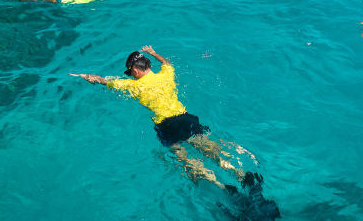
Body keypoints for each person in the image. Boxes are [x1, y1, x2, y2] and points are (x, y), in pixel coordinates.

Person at [71, 46, 266, 195]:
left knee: (185, 159)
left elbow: (102, 80)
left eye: (130, 73)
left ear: (135, 71)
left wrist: (85, 76)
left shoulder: (133, 86)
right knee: (208, 148)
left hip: (166, 125)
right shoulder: (166, 75)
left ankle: (221, 186)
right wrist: (154, 53)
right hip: (185, 118)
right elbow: (167, 63)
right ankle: (239, 173)